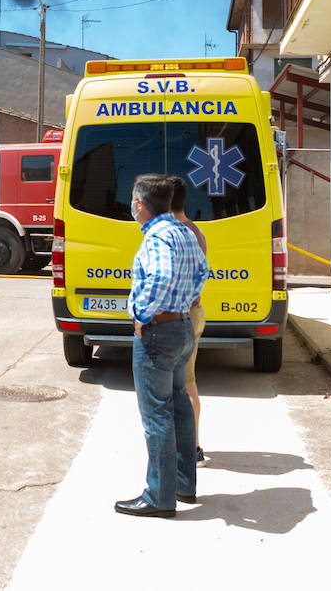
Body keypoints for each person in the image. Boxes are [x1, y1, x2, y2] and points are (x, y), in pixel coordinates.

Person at [115, 173, 209, 518]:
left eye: (133, 201)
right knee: (180, 408)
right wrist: (183, 302)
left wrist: (141, 313)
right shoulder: (185, 232)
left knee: (157, 415)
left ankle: (159, 496)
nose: (132, 206)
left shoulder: (157, 237)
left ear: (140, 204)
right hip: (182, 325)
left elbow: (162, 276)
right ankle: (184, 484)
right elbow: (203, 270)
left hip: (158, 332)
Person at [165, 175, 208, 466]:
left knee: (185, 384)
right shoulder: (197, 232)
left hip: (181, 316)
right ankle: (190, 445)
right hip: (195, 312)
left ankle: (191, 449)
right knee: (186, 382)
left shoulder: (175, 235)